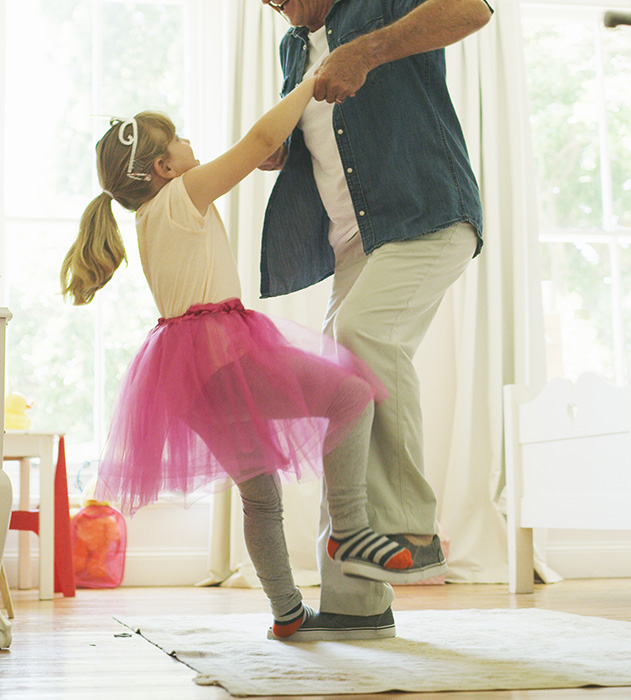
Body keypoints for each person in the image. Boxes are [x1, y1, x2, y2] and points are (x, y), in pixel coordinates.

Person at [59, 75, 439, 642]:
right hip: (220, 353)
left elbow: (257, 153)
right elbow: (260, 139)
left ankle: (287, 613)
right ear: (163, 167)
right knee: (351, 394)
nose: (191, 145)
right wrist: (312, 83)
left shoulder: (147, 216)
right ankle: (351, 530)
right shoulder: (182, 194)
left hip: (187, 377)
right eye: (180, 140)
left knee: (260, 496)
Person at [256, 0, 493, 641]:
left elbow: (472, 10)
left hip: (425, 215)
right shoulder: (292, 49)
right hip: (355, 240)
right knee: (341, 387)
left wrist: (366, 50)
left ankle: (405, 532)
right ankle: (353, 604)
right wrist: (279, 151)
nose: (275, 7)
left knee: (362, 337)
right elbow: (315, 131)